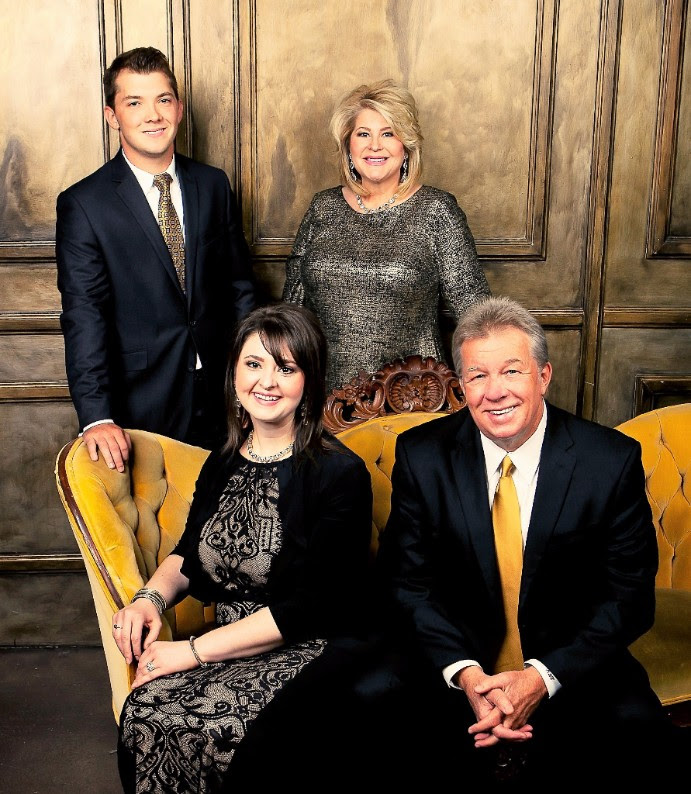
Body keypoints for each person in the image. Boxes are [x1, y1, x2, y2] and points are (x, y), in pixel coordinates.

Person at [375, 296, 683, 785]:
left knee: (640, 734)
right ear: (462, 386)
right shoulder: (422, 454)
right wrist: (467, 675)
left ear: (543, 376)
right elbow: (405, 584)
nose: (495, 391)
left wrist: (542, 677)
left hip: (570, 663)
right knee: (370, 714)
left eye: (512, 371)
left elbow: (629, 598)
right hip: (456, 660)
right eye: (478, 376)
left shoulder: (610, 460)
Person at [112, 303, 373, 792]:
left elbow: (307, 607)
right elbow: (188, 552)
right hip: (229, 644)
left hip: (310, 646)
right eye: (254, 364)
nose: (267, 382)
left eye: (286, 368)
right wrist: (149, 599)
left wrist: (190, 652)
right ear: (234, 375)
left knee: (227, 729)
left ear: (308, 381)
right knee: (146, 711)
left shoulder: (340, 473)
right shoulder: (224, 461)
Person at [56, 47, 255, 469]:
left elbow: (240, 287)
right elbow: (84, 314)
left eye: (163, 100)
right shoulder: (84, 204)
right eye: (134, 103)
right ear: (112, 116)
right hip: (140, 406)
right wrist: (97, 417)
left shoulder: (213, 185)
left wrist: (251, 377)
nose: (153, 115)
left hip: (225, 398)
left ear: (178, 109)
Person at [282, 79, 490, 391]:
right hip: (322, 398)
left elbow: (476, 313)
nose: (375, 146)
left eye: (388, 134)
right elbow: (292, 310)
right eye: (363, 134)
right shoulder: (322, 207)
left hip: (412, 399)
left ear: (406, 146)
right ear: (348, 146)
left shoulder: (437, 210)